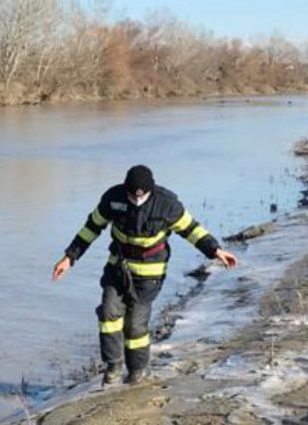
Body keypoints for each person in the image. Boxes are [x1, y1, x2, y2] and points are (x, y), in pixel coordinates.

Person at [52, 165, 239, 385]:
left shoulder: (167, 204)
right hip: (118, 267)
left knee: (135, 327)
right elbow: (91, 228)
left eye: (142, 196)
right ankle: (113, 368)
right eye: (132, 195)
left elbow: (192, 230)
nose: (137, 200)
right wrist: (69, 258)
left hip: (150, 273)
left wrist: (215, 251)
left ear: (151, 190)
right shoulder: (113, 198)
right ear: (126, 189)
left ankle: (137, 372)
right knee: (108, 314)